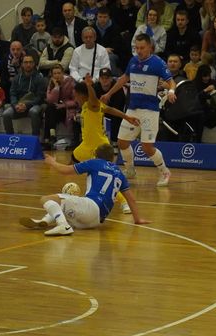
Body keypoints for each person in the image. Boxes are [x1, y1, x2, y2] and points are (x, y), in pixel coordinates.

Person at [19, 143, 150, 236]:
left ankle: (62, 225)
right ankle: (45, 221)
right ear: (112, 158)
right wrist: (137, 219)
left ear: (96, 155)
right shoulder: (119, 172)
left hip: (91, 207)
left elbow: (65, 170)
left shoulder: (94, 163)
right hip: (97, 220)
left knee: (46, 199)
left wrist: (52, 162)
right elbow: (131, 199)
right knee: (63, 206)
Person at [101, 33, 177, 187]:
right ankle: (130, 170)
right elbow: (124, 78)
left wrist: (171, 92)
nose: (139, 51)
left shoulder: (158, 63)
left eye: (142, 48)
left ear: (150, 47)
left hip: (150, 110)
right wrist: (109, 93)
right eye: (137, 48)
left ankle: (165, 171)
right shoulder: (133, 60)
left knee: (147, 147)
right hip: (133, 109)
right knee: (122, 142)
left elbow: (171, 82)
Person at [74, 74, 140, 213]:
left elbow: (92, 98)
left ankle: (123, 203)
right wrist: (127, 117)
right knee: (74, 163)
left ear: (82, 95)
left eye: (76, 95)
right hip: (86, 145)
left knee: (106, 174)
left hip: (99, 146)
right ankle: (81, 194)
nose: (75, 99)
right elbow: (110, 110)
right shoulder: (88, 106)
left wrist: (89, 85)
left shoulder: (92, 105)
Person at [2, 54, 48, 135]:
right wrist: (15, 105)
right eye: (26, 62)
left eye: (30, 62)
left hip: (34, 105)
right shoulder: (17, 78)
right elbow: (12, 93)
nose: (28, 64)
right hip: (18, 105)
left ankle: (35, 139)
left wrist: (26, 105)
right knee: (6, 114)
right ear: (22, 64)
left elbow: (40, 97)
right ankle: (10, 138)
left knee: (34, 112)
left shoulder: (40, 78)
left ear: (34, 64)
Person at [44, 64, 77, 148]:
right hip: (55, 109)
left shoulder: (70, 82)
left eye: (59, 73)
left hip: (68, 109)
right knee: (49, 108)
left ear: (63, 73)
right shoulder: (52, 83)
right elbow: (50, 100)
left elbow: (76, 101)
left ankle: (48, 138)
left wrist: (64, 105)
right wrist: (56, 87)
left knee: (49, 110)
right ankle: (51, 137)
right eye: (54, 73)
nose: (57, 75)